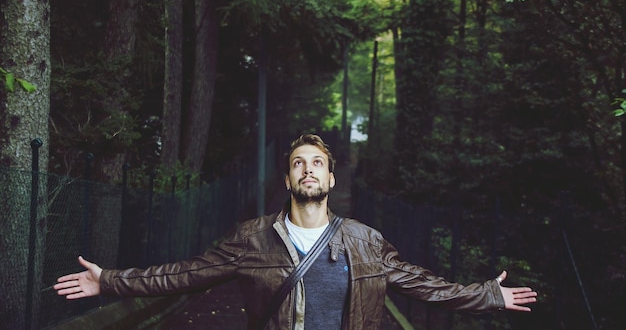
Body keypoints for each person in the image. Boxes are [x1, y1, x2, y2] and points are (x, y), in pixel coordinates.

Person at [55, 133, 537, 330]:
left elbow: (424, 285)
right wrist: (110, 280)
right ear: (287, 180)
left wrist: (488, 296)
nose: (308, 170)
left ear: (330, 179)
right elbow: (183, 274)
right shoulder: (251, 239)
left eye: (317, 164)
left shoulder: (366, 241)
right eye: (298, 164)